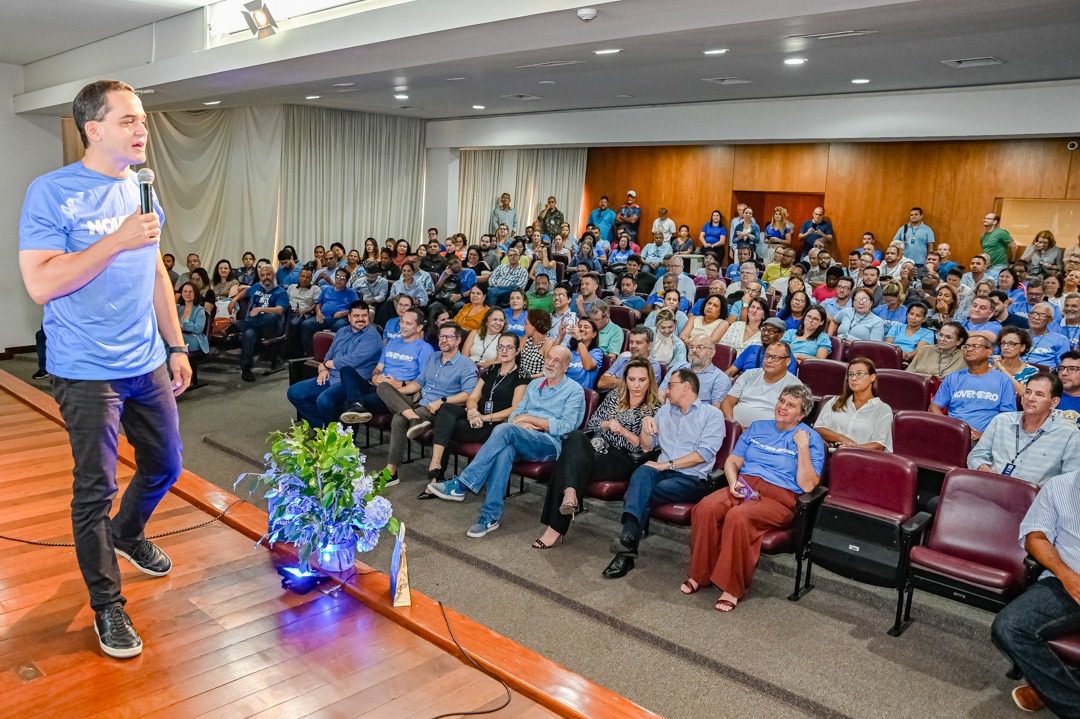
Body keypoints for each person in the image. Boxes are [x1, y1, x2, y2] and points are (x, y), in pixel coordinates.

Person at [18, 79, 191, 658]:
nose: (142, 129)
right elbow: (41, 282)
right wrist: (114, 241)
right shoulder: (52, 192)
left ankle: (129, 533)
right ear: (93, 129)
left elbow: (157, 275)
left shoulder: (144, 191)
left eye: (142, 120)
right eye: (128, 121)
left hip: (145, 361)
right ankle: (108, 606)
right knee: (95, 488)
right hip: (85, 370)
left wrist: (177, 346)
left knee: (166, 465)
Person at [684, 384, 825, 611]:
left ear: (802, 414)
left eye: (791, 405)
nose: (783, 407)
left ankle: (732, 587)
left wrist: (803, 448)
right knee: (705, 508)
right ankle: (699, 574)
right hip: (744, 485)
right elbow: (732, 462)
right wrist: (732, 483)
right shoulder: (758, 427)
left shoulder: (810, 438)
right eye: (782, 401)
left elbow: (808, 484)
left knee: (738, 517)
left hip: (779, 498)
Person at [427, 346, 585, 538]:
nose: (550, 363)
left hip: (549, 442)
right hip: (520, 434)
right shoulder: (535, 385)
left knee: (502, 429)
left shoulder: (574, 391)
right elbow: (515, 414)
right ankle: (489, 516)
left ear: (566, 366)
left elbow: (567, 426)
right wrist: (522, 422)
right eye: (549, 358)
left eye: (557, 361)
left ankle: (463, 484)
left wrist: (532, 421)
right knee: (505, 451)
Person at [602, 368, 727, 579]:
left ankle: (626, 550)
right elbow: (647, 447)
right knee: (642, 472)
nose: (667, 391)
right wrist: (645, 424)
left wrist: (667, 465)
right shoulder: (664, 411)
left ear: (686, 386)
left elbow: (702, 455)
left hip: (691, 478)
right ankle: (628, 542)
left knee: (638, 493)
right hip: (661, 471)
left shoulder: (712, 415)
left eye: (671, 386)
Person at [534, 359, 663, 549]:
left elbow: (645, 449)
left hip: (622, 457)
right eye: (632, 379)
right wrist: (605, 424)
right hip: (595, 446)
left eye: (642, 380)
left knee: (567, 463)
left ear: (650, 381)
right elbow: (593, 423)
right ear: (625, 379)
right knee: (576, 437)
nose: (636, 385)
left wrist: (622, 431)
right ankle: (570, 495)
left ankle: (557, 523)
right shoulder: (614, 395)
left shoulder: (655, 408)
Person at [990, 469, 1080, 715]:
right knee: (1009, 626)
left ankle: (1048, 689)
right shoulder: (1059, 486)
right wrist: (1066, 575)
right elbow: (1035, 538)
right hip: (1065, 582)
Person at [420, 333, 529, 488]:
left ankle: (435, 479)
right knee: (446, 409)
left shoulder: (521, 375)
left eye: (509, 347)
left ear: (517, 351)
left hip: (493, 424)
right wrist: (472, 412)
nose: (504, 350)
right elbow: (473, 397)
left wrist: (484, 418)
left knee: (444, 427)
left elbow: (514, 408)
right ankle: (435, 464)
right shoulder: (491, 369)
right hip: (475, 416)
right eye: (501, 346)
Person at [374, 323, 478, 484]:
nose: (444, 340)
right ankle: (413, 418)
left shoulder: (466, 365)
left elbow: (469, 394)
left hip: (438, 409)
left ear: (458, 340)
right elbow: (418, 383)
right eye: (441, 336)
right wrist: (395, 395)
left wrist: (442, 401)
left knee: (399, 418)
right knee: (383, 387)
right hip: (419, 401)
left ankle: (391, 472)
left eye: (449, 337)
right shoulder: (434, 357)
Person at [967, 372, 1080, 485]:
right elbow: (976, 456)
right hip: (991, 488)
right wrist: (985, 471)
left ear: (1054, 402)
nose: (1030, 398)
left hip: (1034, 499)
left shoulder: (1069, 434)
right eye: (1027, 392)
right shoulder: (1001, 421)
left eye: (1039, 394)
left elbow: (1070, 481)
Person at [286, 302, 382, 427]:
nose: (360, 319)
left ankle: (336, 434)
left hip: (354, 382)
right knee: (295, 392)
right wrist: (324, 369)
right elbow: (330, 353)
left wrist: (327, 365)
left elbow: (352, 360)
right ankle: (322, 428)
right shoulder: (342, 331)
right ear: (349, 317)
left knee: (324, 400)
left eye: (364, 316)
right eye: (356, 316)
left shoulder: (372, 336)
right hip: (331, 376)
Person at [339, 307, 434, 433]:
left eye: (408, 323)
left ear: (419, 327)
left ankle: (348, 446)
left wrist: (400, 384)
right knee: (346, 370)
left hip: (395, 393)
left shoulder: (425, 349)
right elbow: (378, 368)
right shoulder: (392, 343)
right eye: (402, 321)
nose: (403, 326)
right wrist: (375, 376)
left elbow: (422, 381)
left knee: (349, 404)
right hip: (376, 385)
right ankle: (357, 405)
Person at [929, 330, 1018, 440]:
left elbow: (1008, 418)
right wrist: (950, 427)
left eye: (976, 346)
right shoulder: (953, 378)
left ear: (989, 352)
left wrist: (984, 436)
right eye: (966, 346)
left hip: (985, 439)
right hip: (951, 434)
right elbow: (933, 407)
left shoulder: (1003, 381)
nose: (969, 349)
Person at [813, 358, 893, 450]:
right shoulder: (835, 401)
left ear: (872, 377)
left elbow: (879, 445)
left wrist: (853, 449)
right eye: (851, 374)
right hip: (827, 454)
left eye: (859, 374)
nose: (854, 378)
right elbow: (818, 429)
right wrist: (842, 438)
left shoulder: (883, 409)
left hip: (860, 459)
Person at [228, 263, 288, 382]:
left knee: (271, 316)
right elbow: (245, 292)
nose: (265, 277)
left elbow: (280, 309)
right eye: (262, 275)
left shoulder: (280, 292)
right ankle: (246, 368)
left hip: (271, 328)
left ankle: (238, 326)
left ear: (273, 275)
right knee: (249, 334)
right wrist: (234, 300)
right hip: (255, 326)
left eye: (268, 274)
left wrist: (261, 309)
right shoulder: (256, 287)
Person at [721, 341, 803, 427]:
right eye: (767, 356)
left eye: (775, 358)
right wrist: (733, 426)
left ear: (787, 361)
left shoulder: (795, 386)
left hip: (767, 434)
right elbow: (728, 401)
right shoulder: (749, 374)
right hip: (734, 429)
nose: (769, 360)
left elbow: (790, 419)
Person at [301, 268, 358, 355]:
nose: (339, 279)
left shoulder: (351, 292)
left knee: (340, 327)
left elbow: (357, 308)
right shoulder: (327, 289)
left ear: (346, 281)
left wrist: (343, 313)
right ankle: (311, 353)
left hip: (340, 319)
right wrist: (318, 312)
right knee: (306, 324)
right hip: (323, 317)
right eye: (338, 277)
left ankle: (335, 354)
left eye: (342, 278)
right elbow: (318, 303)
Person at [598, 326, 662, 391]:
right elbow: (601, 383)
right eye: (631, 342)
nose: (633, 346)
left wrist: (613, 380)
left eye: (638, 343)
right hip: (611, 398)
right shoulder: (622, 359)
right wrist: (628, 382)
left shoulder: (653, 366)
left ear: (650, 346)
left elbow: (640, 391)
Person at [727, 318, 797, 378]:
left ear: (781, 335)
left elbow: (788, 383)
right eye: (764, 329)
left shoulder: (786, 357)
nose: (766, 333)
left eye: (771, 331)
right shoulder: (751, 349)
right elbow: (730, 372)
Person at [1023, 302, 1071, 367]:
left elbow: (1063, 365)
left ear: (1050, 320)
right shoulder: (1017, 335)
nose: (1036, 317)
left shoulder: (1061, 340)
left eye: (1042, 315)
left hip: (1044, 375)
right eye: (1033, 313)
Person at [565, 318, 604, 390]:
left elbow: (588, 366)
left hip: (578, 392)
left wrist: (579, 339)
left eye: (586, 327)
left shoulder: (596, 352)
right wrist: (561, 335)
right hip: (562, 388)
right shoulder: (569, 349)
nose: (581, 329)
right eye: (579, 327)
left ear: (594, 334)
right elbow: (551, 359)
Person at [519, 309, 554, 379]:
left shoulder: (548, 344)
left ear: (535, 325)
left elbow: (549, 370)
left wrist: (530, 377)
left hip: (536, 382)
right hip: (520, 379)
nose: (524, 326)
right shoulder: (526, 338)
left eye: (526, 323)